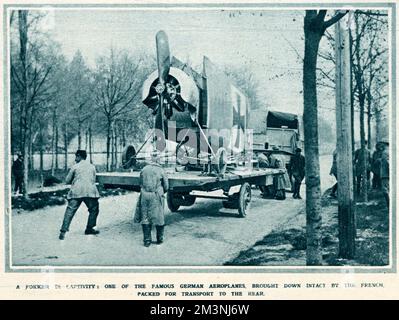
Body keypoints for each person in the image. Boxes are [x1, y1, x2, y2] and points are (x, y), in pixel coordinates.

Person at [59, 150, 100, 240]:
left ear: (79, 156)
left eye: (76, 156)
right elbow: (93, 178)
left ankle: (63, 231)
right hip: (90, 192)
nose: (75, 159)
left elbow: (67, 181)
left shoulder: (75, 167)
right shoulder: (92, 167)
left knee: (70, 211)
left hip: (76, 191)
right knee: (94, 209)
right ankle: (90, 228)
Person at [134, 150, 169, 247]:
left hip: (144, 195)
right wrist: (161, 192)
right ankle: (159, 239)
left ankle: (147, 241)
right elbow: (166, 186)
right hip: (156, 195)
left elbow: (140, 183)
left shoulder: (144, 169)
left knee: (145, 217)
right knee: (159, 217)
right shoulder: (161, 170)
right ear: (158, 159)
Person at [380, 142, 389, 207]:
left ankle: (389, 206)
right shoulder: (389, 151)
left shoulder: (385, 153)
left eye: (382, 144)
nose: (380, 146)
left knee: (385, 190)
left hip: (385, 175)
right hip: (386, 174)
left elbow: (388, 163)